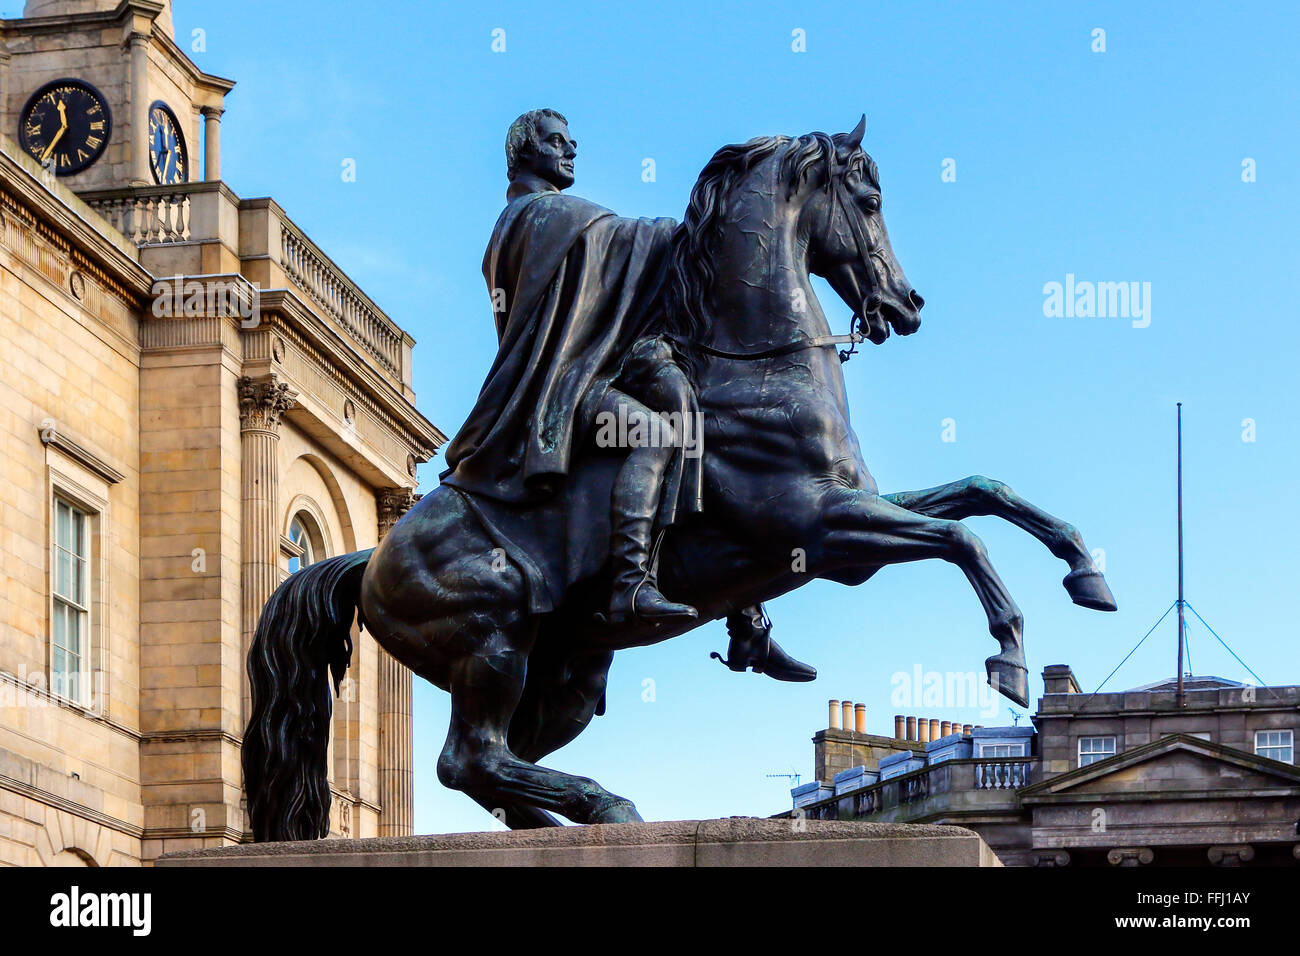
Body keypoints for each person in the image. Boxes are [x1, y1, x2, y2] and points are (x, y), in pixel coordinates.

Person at [441, 108, 815, 680]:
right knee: (659, 435)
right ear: (523, 152)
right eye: (556, 142)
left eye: (573, 141)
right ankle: (629, 586)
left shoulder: (555, 217)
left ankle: (747, 621)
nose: (570, 150)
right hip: (563, 392)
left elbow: (608, 276)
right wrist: (708, 223)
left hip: (590, 374)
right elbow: (629, 244)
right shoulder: (535, 216)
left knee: (698, 420)